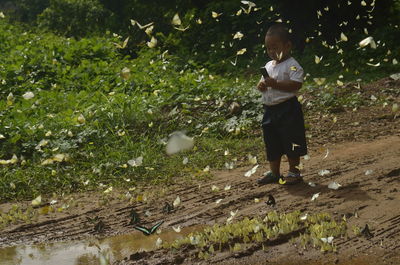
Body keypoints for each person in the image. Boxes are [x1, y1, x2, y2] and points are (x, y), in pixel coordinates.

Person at [256, 23, 307, 185]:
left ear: (288, 46)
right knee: (272, 142)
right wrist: (262, 85)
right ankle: (274, 173)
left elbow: (296, 85)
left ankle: (293, 171)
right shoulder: (268, 66)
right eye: (268, 48)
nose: (271, 51)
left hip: (288, 108)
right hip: (270, 110)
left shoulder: (292, 64)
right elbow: (263, 84)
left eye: (275, 47)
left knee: (291, 139)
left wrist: (275, 84)